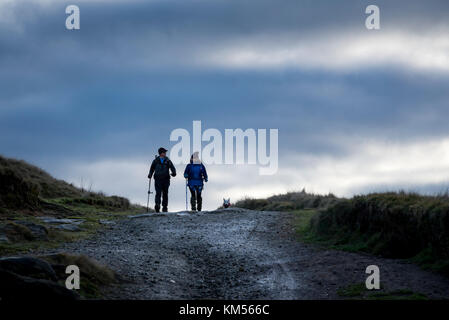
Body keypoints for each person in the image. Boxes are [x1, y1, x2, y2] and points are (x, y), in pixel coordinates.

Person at [148, 147, 176, 212]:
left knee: (165, 193)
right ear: (161, 153)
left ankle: (165, 207)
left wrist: (174, 173)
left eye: (165, 152)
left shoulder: (168, 160)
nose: (165, 153)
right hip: (158, 179)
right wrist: (150, 174)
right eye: (164, 152)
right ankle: (157, 205)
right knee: (158, 193)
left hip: (166, 179)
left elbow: (172, 167)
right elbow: (152, 169)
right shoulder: (155, 161)